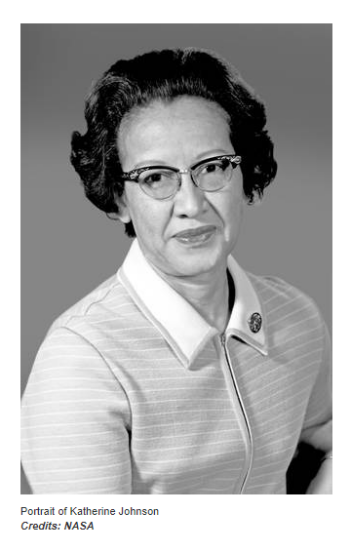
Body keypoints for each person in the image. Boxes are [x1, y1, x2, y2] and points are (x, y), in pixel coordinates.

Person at [21, 48, 332, 494]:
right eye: (155, 177)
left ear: (246, 174)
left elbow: (328, 433)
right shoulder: (79, 363)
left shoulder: (297, 316)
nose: (191, 204)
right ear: (120, 200)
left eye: (213, 167)